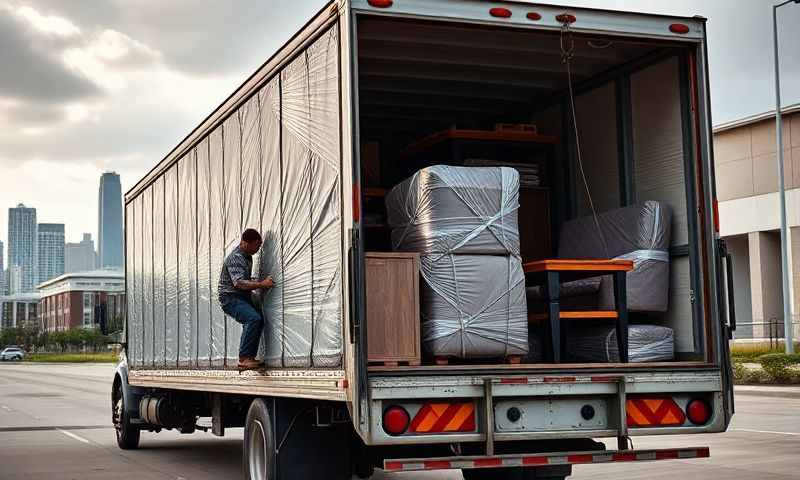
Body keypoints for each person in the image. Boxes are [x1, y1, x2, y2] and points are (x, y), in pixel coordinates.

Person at [218, 229, 274, 371]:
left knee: (258, 320)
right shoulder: (236, 257)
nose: (258, 249)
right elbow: (239, 283)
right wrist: (262, 284)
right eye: (256, 245)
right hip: (230, 298)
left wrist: (257, 283)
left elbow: (245, 280)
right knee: (253, 319)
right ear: (245, 243)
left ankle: (249, 357)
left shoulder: (247, 256)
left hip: (241, 296)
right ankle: (244, 358)